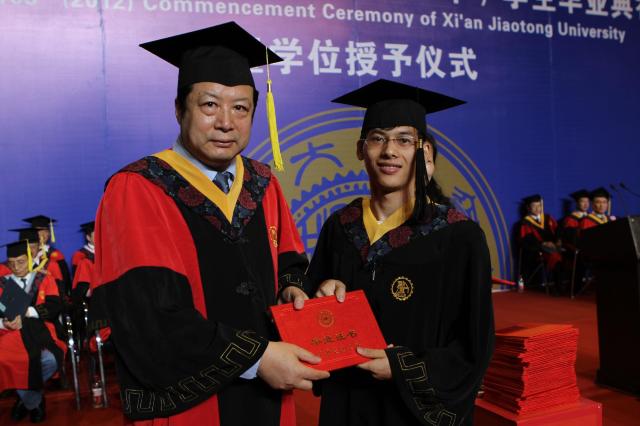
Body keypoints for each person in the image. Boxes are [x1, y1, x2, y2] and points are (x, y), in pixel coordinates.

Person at [89, 22, 328, 425]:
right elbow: (147, 319)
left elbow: (289, 263)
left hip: (271, 398)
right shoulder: (140, 187)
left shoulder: (263, 183)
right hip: (192, 405)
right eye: (210, 105)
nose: (226, 122)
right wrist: (256, 359)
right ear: (179, 109)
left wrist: (293, 290)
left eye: (241, 108)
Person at [301, 79, 495, 426]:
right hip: (346, 405)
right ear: (361, 149)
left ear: (423, 151)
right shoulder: (340, 227)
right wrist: (321, 295)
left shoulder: (458, 236)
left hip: (412, 414)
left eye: (404, 140)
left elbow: (473, 347)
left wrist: (404, 367)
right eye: (378, 138)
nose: (390, 151)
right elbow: (312, 322)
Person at [0, 240, 65, 423]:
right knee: (3, 359)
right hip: (10, 336)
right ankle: (34, 401)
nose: (16, 267)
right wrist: (4, 323)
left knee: (51, 359)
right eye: (11, 263)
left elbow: (54, 306)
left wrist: (29, 311)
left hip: (40, 333)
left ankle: (24, 399)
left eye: (20, 262)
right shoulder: (2, 284)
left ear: (30, 259)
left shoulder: (43, 279)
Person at [517, 194, 562, 286]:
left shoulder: (548, 218)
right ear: (528, 208)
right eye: (534, 206)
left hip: (553, 247)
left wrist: (558, 240)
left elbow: (558, 231)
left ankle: (561, 284)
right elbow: (526, 241)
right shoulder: (525, 222)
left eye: (539, 205)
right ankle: (558, 286)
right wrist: (543, 243)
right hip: (537, 250)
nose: (537, 208)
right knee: (555, 256)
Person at [22, 215, 71, 295]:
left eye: (45, 231)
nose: (42, 234)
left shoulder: (56, 254)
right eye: (38, 231)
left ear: (49, 233)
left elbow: (65, 280)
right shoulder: (22, 255)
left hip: (50, 293)